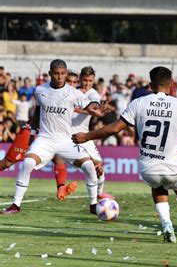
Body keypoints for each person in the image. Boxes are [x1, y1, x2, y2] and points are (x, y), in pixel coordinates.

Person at [72, 66, 177, 243]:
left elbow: (114, 129)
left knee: (158, 185)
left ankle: (167, 223)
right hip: (171, 166)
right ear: (171, 84)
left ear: (150, 85)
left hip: (148, 167)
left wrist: (87, 136)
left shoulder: (139, 103)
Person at [1, 59, 105, 215]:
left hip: (65, 140)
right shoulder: (40, 90)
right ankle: (15, 205)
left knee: (89, 166)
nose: (60, 76)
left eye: (63, 73)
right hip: (45, 139)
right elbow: (38, 111)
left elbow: (90, 105)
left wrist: (96, 109)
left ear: (66, 73)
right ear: (50, 74)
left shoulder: (73, 92)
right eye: (56, 73)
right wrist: (32, 133)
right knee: (27, 163)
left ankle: (93, 205)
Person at [71, 66, 113, 199]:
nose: (87, 83)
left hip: (83, 135)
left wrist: (78, 109)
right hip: (66, 134)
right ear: (80, 79)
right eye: (84, 80)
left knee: (98, 165)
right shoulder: (72, 91)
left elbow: (94, 107)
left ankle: (100, 193)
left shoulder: (93, 94)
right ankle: (61, 186)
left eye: (90, 81)